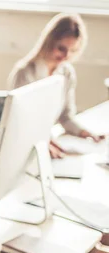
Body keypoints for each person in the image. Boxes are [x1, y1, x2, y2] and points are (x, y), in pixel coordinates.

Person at [8, 13, 105, 151]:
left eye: (73, 51)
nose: (66, 56)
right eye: (61, 48)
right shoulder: (25, 72)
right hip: (27, 143)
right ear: (49, 42)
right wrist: (43, 140)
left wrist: (85, 133)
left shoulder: (67, 72)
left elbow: (65, 117)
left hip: (48, 140)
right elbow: (21, 121)